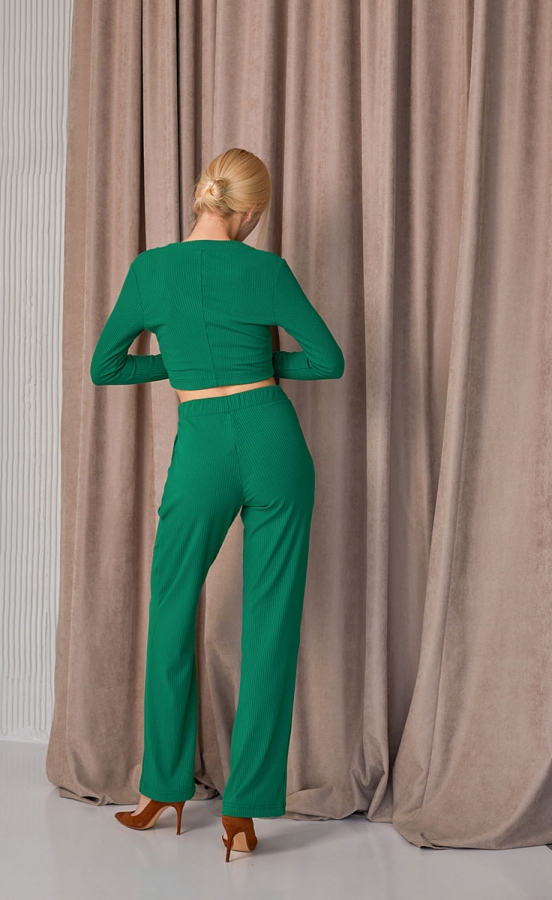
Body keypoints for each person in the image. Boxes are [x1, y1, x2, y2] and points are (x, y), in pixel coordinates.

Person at [89, 147, 345, 861]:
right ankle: (244, 812)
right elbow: (328, 361)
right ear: (252, 210)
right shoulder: (268, 270)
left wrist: (180, 361)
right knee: (271, 625)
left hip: (201, 442)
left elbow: (105, 368)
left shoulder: (149, 270)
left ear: (205, 197)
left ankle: (163, 788)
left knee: (171, 607)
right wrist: (260, 364)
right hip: (272, 440)